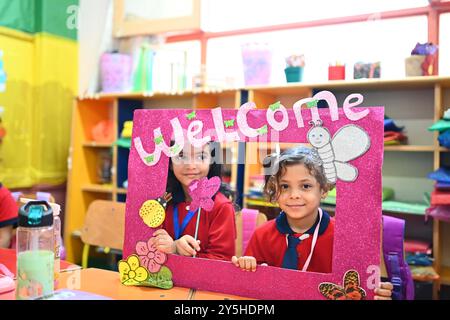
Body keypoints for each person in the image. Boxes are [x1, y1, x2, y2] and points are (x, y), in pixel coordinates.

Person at [231, 146, 392, 300]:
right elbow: (248, 287)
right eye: (285, 186)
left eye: (305, 186)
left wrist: (378, 292)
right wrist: (247, 266)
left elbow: (360, 285)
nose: (294, 195)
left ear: (323, 190)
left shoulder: (342, 237)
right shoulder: (262, 234)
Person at [152, 141, 237, 261]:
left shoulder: (221, 207)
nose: (191, 165)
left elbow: (222, 262)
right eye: (181, 156)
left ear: (211, 162)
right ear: (170, 163)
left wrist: (176, 250)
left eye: (201, 156)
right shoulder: (163, 202)